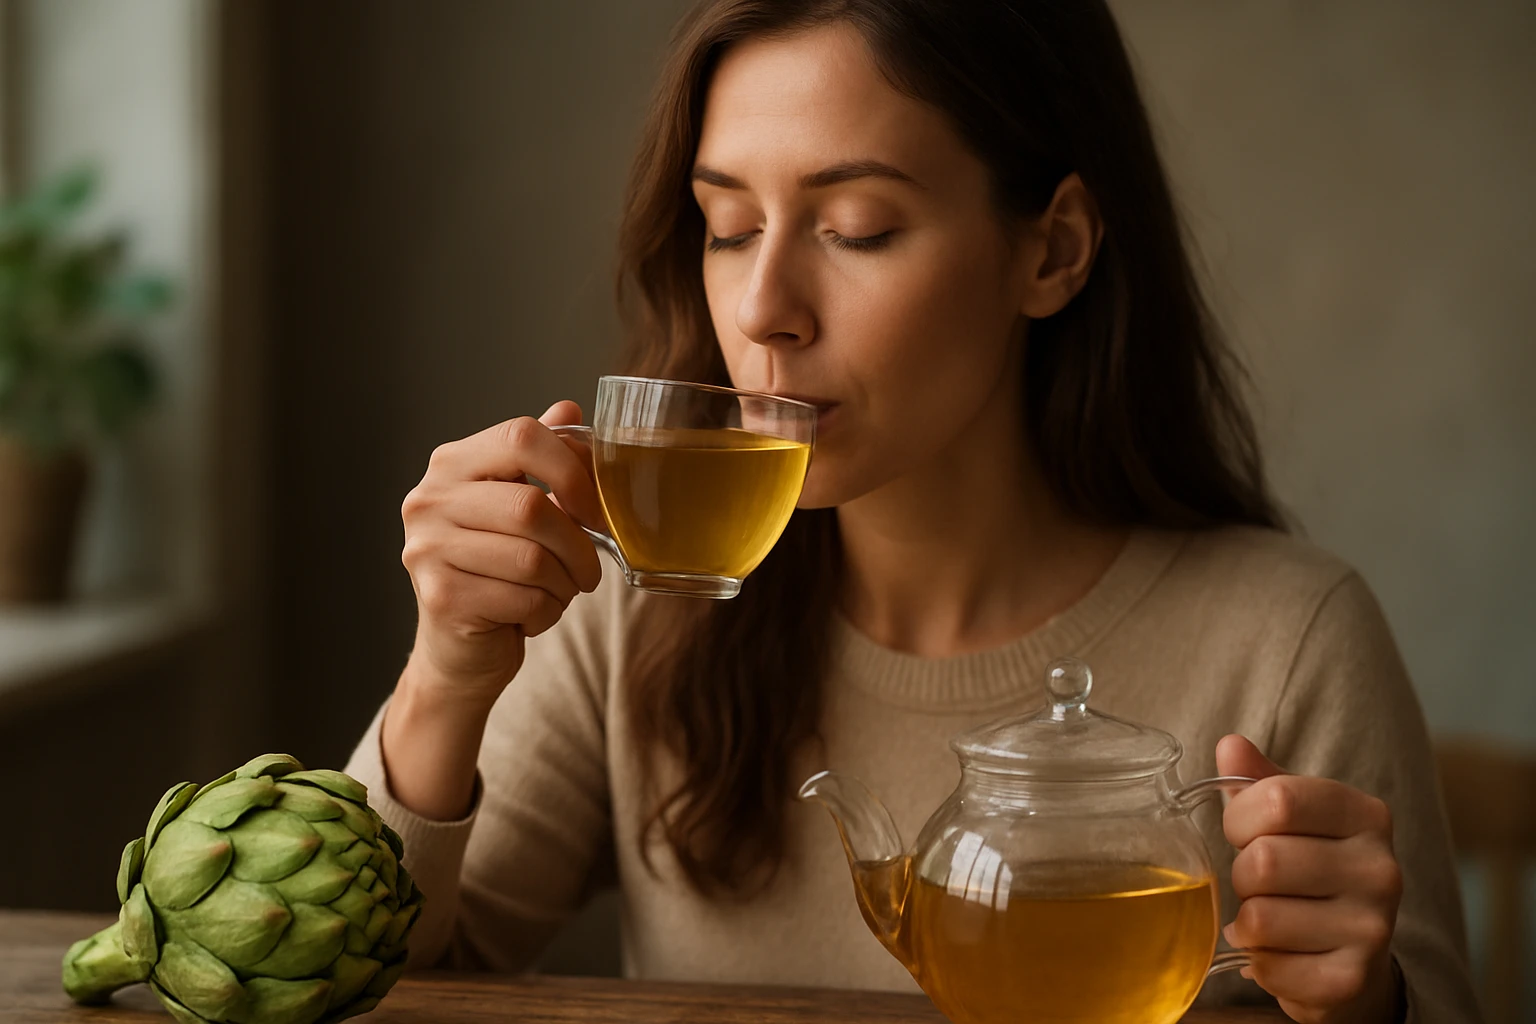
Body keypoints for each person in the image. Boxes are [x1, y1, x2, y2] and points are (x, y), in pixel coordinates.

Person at [345, 2, 1479, 1021]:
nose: (763, 307)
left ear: (1055, 251)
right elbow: (353, 973)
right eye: (729, 226)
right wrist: (443, 677)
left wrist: (1370, 1003)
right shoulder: (637, 602)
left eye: (857, 228)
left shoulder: (1290, 640)